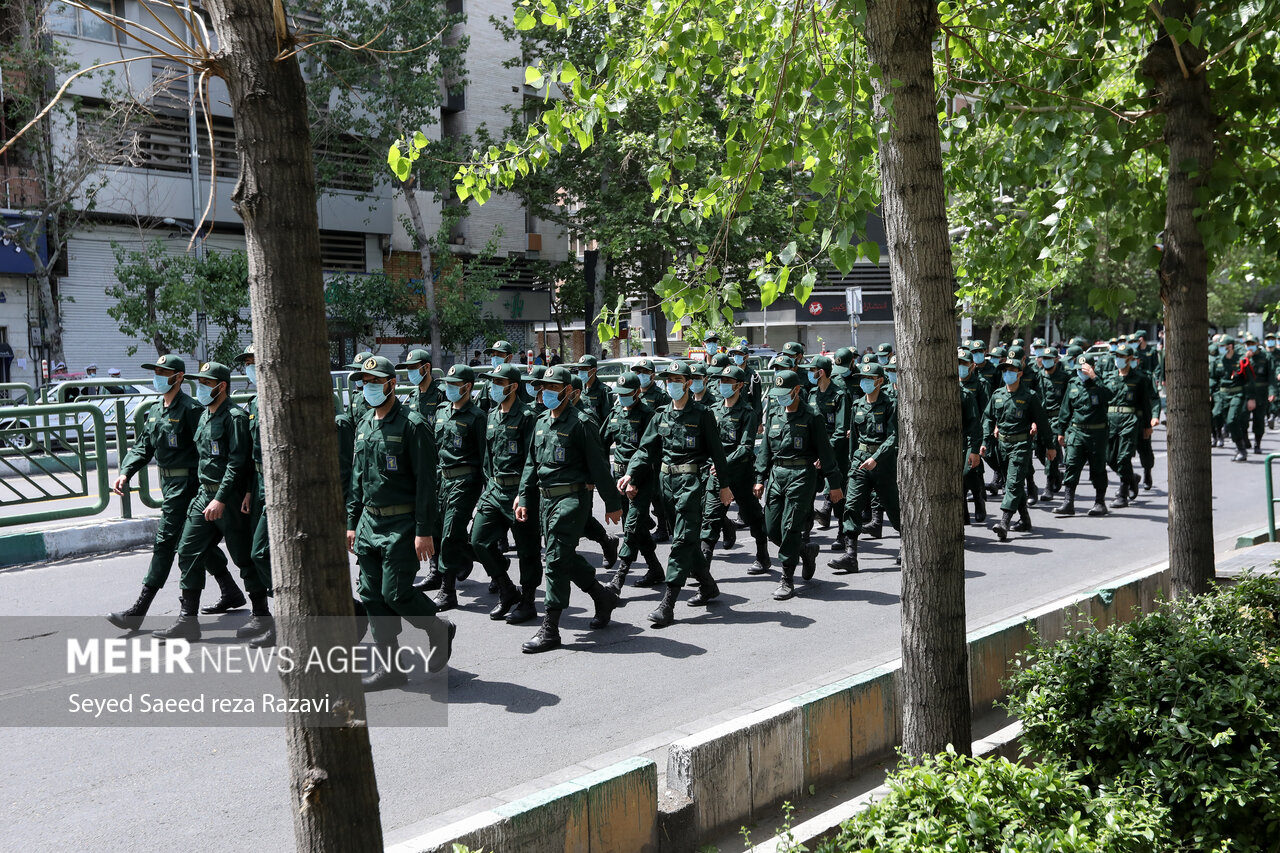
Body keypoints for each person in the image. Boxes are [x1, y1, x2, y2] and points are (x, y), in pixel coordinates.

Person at [106, 354, 238, 632]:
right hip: (168, 486)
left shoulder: (190, 409)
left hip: (188, 488)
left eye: (162, 372)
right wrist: (125, 472)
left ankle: (139, 609)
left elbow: (207, 447)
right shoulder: (156, 410)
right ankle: (230, 590)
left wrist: (210, 487)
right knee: (189, 542)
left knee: (167, 542)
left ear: (178, 378)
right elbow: (144, 446)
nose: (157, 377)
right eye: (155, 371)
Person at [347, 355, 453, 689]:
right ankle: (390, 666)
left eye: (375, 382)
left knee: (395, 593)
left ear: (392, 385)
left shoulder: (413, 424)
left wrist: (424, 531)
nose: (369, 387)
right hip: (369, 523)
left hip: (402, 525)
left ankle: (438, 628)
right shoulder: (365, 423)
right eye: (365, 382)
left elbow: (426, 483)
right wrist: (351, 522)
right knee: (372, 594)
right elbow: (357, 479)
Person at [516, 365, 623, 653]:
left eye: (552, 388)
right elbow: (531, 465)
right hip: (545, 500)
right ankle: (602, 596)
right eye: (543, 388)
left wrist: (612, 504)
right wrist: (523, 497)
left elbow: (600, 467)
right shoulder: (540, 422)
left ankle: (550, 628)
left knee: (554, 560)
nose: (546, 393)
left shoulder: (581, 423)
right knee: (561, 556)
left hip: (572, 500)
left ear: (566, 391)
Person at [619, 362, 734, 626]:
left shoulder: (703, 414)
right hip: (666, 483)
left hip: (692, 482)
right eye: (668, 379)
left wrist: (725, 486)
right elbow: (645, 449)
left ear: (686, 382)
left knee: (681, 541)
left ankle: (668, 603)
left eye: (676, 379)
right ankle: (707, 586)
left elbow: (717, 452)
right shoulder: (661, 415)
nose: (671, 383)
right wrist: (631, 473)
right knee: (685, 539)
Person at [151, 361, 257, 641]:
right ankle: (188, 619)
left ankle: (261, 615)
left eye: (206, 384)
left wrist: (222, 498)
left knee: (243, 556)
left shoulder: (234, 417)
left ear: (221, 386)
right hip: (203, 495)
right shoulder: (204, 417)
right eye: (199, 382)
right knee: (187, 550)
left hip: (228, 498)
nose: (200, 388)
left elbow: (237, 462)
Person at [754, 370, 843, 599]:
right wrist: (759, 478)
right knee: (771, 528)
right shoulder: (773, 414)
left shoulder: (811, 416)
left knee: (790, 528)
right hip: (777, 474)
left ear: (796, 391)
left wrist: (834, 485)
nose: (780, 398)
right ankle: (805, 550)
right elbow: (765, 450)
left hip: (802, 475)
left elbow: (826, 452)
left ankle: (786, 578)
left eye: (785, 393)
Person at [471, 363, 543, 623]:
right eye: (492, 382)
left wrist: (523, 493)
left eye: (498, 383)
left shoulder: (527, 416)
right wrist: (488, 486)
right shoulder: (491, 415)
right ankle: (506, 588)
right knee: (478, 540)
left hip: (520, 490)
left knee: (527, 549)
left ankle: (528, 601)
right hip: (495, 489)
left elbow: (532, 460)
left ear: (513, 386)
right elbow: (487, 458)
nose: (493, 387)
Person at [701, 365, 771, 574]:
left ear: (739, 386)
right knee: (711, 520)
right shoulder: (713, 410)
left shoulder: (747, 413)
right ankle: (703, 570)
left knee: (753, 516)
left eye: (727, 382)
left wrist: (722, 464)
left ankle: (763, 555)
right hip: (717, 475)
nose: (722, 386)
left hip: (741, 474)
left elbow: (746, 447)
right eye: (721, 382)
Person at [429, 363, 487, 611]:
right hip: (442, 479)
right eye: (448, 385)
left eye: (455, 385)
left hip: (465, 480)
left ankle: (448, 589)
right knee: (441, 530)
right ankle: (483, 559)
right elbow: (435, 447)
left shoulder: (477, 417)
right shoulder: (442, 411)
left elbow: (485, 456)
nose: (450, 389)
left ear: (467, 387)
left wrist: (486, 491)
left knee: (452, 531)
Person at [830, 363, 898, 573]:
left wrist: (877, 458)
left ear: (879, 381)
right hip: (860, 460)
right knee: (852, 505)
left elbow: (894, 436)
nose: (864, 382)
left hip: (883, 462)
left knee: (893, 506)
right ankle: (851, 555)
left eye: (869, 378)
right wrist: (853, 462)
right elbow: (853, 437)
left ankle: (907, 545)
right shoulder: (857, 404)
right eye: (862, 378)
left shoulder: (890, 404)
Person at [980, 356, 1056, 541]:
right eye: (1004, 371)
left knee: (1012, 484)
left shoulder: (1029, 396)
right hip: (1002, 445)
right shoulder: (998, 395)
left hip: (1021, 445)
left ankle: (1004, 522)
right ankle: (1025, 519)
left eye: (1011, 371)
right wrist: (984, 441)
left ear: (1020, 374)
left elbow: (1043, 423)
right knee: (1012, 483)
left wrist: (1050, 446)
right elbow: (988, 418)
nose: (1007, 374)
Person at [231, 344, 277, 647]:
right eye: (245, 363)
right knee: (257, 551)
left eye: (253, 361)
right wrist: (249, 490)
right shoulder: (253, 402)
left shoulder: (276, 396)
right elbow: (251, 455)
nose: (249, 367)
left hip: (278, 482)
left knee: (262, 553)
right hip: (258, 483)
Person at [601, 372, 664, 590]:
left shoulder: (648, 415)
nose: (621, 398)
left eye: (626, 394)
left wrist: (634, 479)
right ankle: (655, 569)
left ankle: (619, 577)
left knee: (631, 526)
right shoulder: (616, 412)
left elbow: (649, 451)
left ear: (637, 393)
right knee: (637, 527)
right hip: (619, 478)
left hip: (641, 480)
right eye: (619, 394)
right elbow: (602, 442)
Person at [1053, 353, 1112, 517]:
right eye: (1079, 369)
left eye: (1085, 369)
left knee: (1098, 467)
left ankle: (1100, 502)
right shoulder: (1073, 383)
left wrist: (1095, 378)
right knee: (1071, 464)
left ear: (1092, 368)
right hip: (1076, 431)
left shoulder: (1101, 384)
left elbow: (1109, 396)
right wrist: (1061, 431)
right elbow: (1066, 409)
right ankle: (1068, 502)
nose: (1081, 372)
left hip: (1097, 432)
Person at [1106, 345, 1154, 507]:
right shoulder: (1109, 377)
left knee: (1123, 457)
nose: (1118, 359)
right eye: (1117, 355)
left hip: (1130, 421)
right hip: (1111, 421)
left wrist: (1147, 426)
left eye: (1122, 356)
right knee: (1110, 457)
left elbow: (1145, 404)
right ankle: (1131, 478)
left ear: (1130, 359)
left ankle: (1123, 492)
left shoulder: (1139, 379)